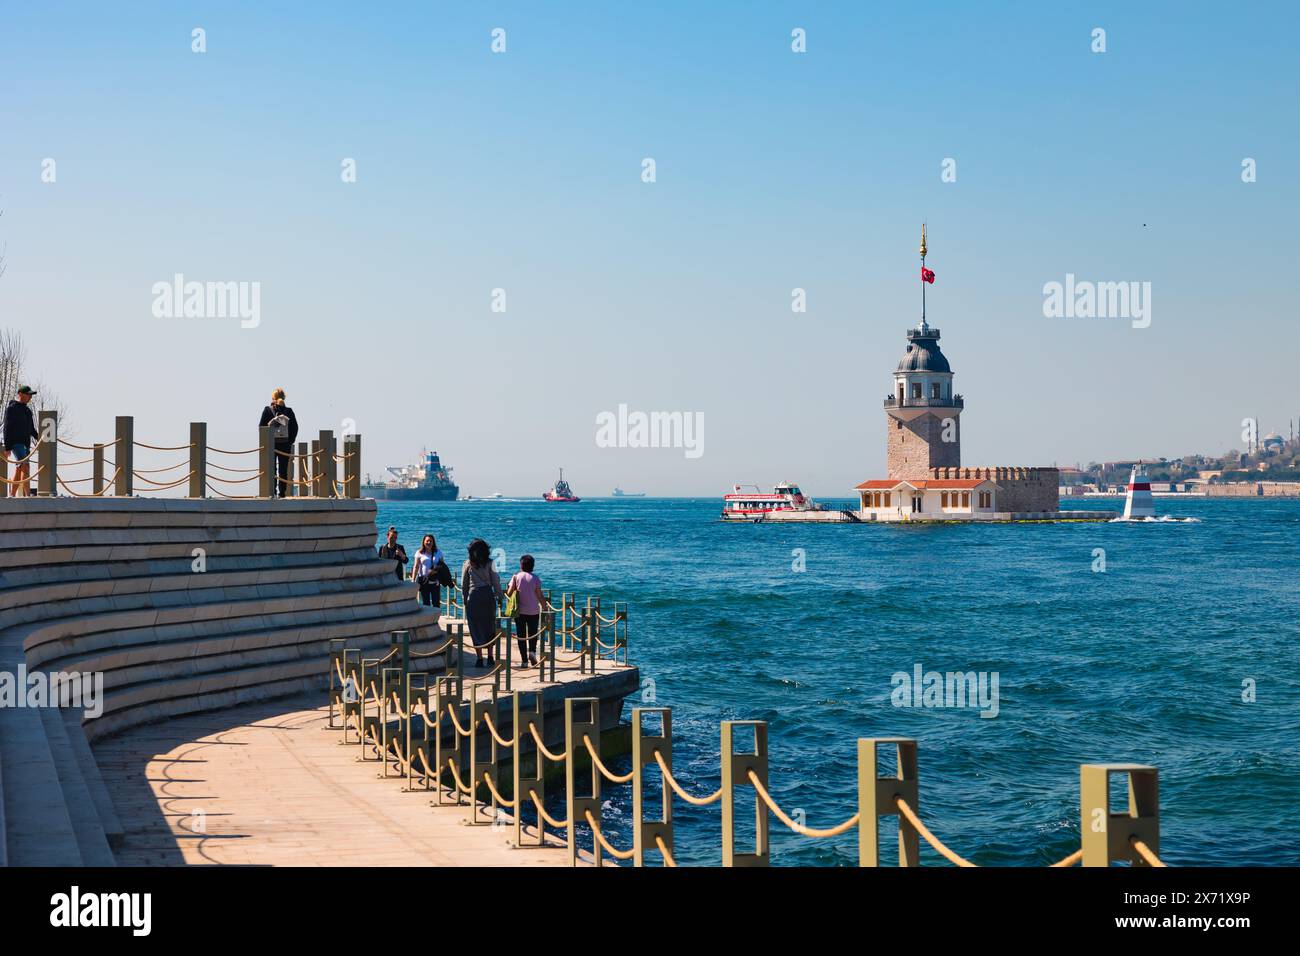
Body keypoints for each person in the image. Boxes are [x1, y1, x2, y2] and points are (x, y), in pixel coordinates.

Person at [460, 538, 501, 667]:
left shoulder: (467, 564)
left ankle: (479, 658)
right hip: (487, 595)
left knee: (475, 627)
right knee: (489, 625)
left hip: (473, 597)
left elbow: (463, 585)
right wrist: (500, 597)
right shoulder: (490, 563)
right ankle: (490, 656)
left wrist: (465, 600)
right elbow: (496, 582)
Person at [258, 388, 299, 498]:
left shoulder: (267, 410)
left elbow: (261, 427)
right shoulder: (289, 411)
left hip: (271, 444)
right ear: (284, 397)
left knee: (271, 468)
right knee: (283, 469)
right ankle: (282, 493)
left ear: (273, 398)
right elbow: (295, 428)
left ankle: (272, 492)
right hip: (285, 444)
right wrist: (290, 442)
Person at [505, 554, 546, 666]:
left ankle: (524, 661)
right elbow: (540, 595)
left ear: (521, 565)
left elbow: (508, 594)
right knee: (533, 633)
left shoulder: (516, 576)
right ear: (532, 566)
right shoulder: (535, 578)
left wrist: (512, 586)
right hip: (534, 611)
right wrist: (545, 608)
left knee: (521, 635)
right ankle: (532, 652)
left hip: (520, 612)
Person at [2, 385, 39, 497]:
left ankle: (12, 494)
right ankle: (27, 496)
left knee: (20, 469)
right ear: (20, 394)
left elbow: (31, 429)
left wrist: (40, 438)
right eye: (28, 394)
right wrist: (8, 447)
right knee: (25, 466)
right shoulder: (11, 409)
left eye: (31, 395)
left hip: (26, 444)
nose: (30, 397)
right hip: (15, 444)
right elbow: (7, 428)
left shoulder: (28, 411)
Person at [410, 534, 446, 610]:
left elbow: (442, 566)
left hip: (435, 581)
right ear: (423, 542)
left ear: (433, 542)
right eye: (427, 541)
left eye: (430, 541)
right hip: (424, 580)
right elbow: (416, 566)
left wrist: (441, 579)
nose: (429, 542)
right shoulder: (419, 553)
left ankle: (435, 620)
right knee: (426, 603)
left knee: (436, 603)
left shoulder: (438, 552)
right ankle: (427, 621)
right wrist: (413, 579)